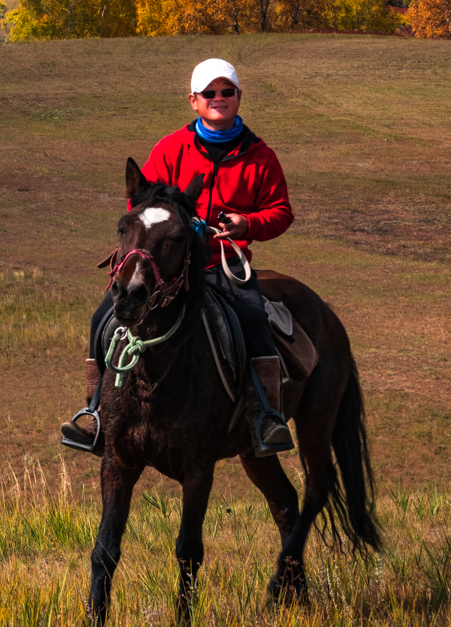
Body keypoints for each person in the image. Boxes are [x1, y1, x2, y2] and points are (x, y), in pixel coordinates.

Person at [60, 58, 295, 457]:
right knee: (103, 316)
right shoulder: (170, 148)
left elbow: (281, 212)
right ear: (193, 100)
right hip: (167, 264)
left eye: (227, 92)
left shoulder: (261, 157)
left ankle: (265, 416)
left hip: (224, 262)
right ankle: (96, 412)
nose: (218, 99)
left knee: (254, 316)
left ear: (239, 97)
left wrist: (246, 223)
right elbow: (141, 201)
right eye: (209, 93)